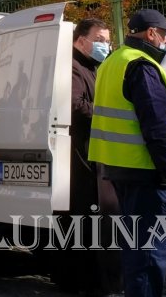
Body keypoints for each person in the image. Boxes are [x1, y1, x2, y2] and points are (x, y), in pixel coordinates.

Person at [89, 9, 166, 297]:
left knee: (136, 248)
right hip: (143, 172)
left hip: (119, 169)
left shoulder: (113, 61)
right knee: (148, 254)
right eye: (164, 33)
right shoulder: (142, 67)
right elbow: (156, 131)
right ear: (150, 34)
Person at [54, 17, 121, 294]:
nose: (106, 46)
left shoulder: (91, 65)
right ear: (82, 40)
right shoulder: (72, 67)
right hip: (78, 153)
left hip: (89, 151)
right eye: (101, 40)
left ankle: (86, 278)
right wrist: (108, 111)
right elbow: (76, 106)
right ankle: (81, 280)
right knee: (82, 216)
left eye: (108, 41)